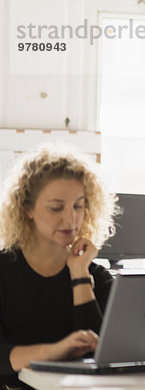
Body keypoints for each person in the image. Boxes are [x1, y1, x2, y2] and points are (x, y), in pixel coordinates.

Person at [0, 147, 119, 387]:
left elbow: (99, 354)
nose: (71, 219)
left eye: (78, 206)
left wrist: (79, 275)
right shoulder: (4, 271)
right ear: (27, 209)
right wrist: (53, 351)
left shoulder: (95, 275)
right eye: (56, 207)